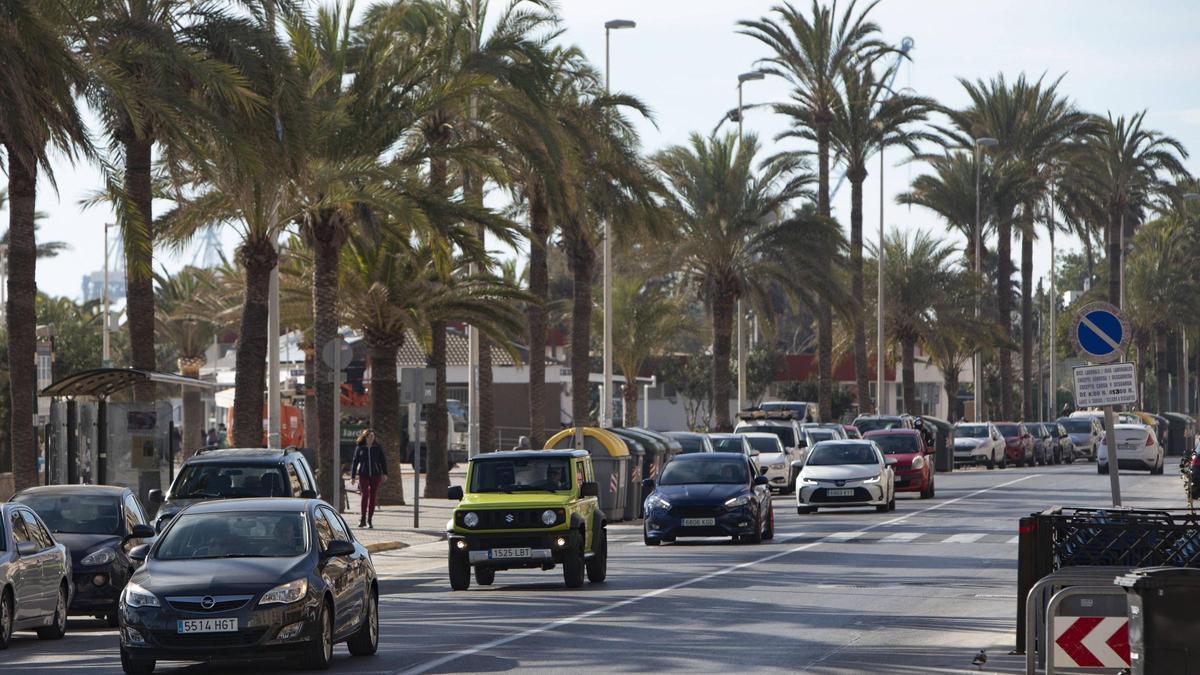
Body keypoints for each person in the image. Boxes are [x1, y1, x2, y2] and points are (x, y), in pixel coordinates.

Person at [351, 429, 388, 528]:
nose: (371, 438)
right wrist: (353, 476)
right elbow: (355, 462)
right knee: (365, 494)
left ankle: (369, 520)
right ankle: (362, 518)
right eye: (369, 436)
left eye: (373, 436)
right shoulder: (360, 448)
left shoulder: (377, 448)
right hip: (363, 474)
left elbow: (383, 461)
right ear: (365, 437)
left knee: (373, 496)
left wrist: (385, 473)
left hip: (376, 475)